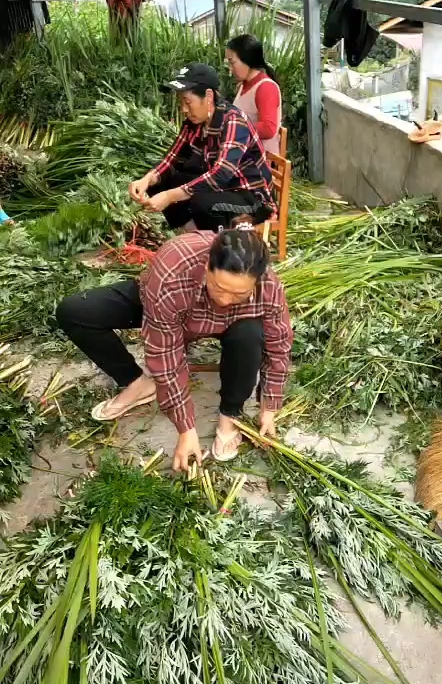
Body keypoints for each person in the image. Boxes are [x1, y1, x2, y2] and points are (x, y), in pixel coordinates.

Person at [55, 223, 292, 470]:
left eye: (239, 294)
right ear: (207, 266)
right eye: (218, 287)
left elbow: (278, 347)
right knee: (75, 312)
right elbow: (166, 356)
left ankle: (230, 415)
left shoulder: (269, 288)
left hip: (233, 325)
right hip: (171, 306)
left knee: (251, 333)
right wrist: (186, 429)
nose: (225, 299)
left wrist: (269, 406)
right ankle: (138, 383)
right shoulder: (173, 270)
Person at [128, 63, 276, 231]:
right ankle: (192, 233)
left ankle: (217, 246)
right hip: (222, 189)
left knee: (201, 202)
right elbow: (172, 159)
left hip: (251, 198)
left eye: (188, 102)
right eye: (181, 102)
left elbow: (220, 175)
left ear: (208, 96)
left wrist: (169, 197)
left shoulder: (233, 121)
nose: (184, 109)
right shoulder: (194, 122)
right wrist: (146, 180)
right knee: (162, 182)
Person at [226, 34, 282, 155]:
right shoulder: (243, 85)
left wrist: (233, 127)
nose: (230, 69)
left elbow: (268, 129)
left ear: (247, 59)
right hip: (244, 153)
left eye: (232, 62)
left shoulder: (266, 88)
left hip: (260, 161)